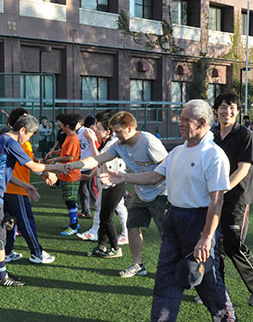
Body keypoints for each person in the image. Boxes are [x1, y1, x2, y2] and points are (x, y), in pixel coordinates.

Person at [99, 100, 237, 321]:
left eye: (185, 119)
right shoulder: (178, 152)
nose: (179, 123)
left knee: (209, 284)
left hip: (199, 222)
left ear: (201, 123)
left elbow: (217, 201)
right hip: (173, 218)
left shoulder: (214, 155)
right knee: (165, 279)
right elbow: (154, 176)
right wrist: (123, 177)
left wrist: (206, 237)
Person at [64, 111, 168, 277]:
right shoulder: (120, 145)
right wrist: (74, 165)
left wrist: (123, 177)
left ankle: (177, 268)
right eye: (114, 131)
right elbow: (98, 159)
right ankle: (137, 264)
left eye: (119, 131)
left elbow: (166, 169)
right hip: (141, 193)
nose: (115, 135)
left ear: (130, 128)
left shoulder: (148, 141)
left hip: (162, 193)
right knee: (132, 226)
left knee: (168, 235)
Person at [0, 115, 60, 286]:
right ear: (22, 130)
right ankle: (1, 277)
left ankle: (0, 271)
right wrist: (58, 168)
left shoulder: (1, 139)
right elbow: (33, 166)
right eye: (30, 135)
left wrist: (25, 186)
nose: (29, 139)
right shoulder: (10, 142)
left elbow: (4, 171)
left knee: (1, 233)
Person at [213, 93, 253, 307]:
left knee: (234, 245)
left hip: (237, 198)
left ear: (237, 111)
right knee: (214, 245)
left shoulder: (245, 135)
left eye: (231, 107)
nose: (226, 111)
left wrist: (222, 189)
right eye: (222, 107)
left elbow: (243, 169)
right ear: (216, 110)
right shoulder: (213, 136)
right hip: (215, 197)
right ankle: (215, 291)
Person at [3, 108, 56, 264]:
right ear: (22, 127)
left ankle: (6, 251)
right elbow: (30, 165)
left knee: (9, 221)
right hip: (17, 188)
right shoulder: (20, 142)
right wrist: (48, 173)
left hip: (8, 186)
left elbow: (29, 162)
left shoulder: (6, 138)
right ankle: (36, 252)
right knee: (25, 221)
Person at [77, 111, 128, 256]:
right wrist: (89, 176)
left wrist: (92, 140)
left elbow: (98, 159)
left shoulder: (112, 144)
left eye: (98, 129)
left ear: (108, 131)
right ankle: (101, 246)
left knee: (106, 217)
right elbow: (100, 165)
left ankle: (116, 248)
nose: (95, 131)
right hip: (106, 183)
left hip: (114, 184)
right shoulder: (106, 142)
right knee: (104, 216)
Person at [46, 114, 81, 236]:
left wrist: (55, 159)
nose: (60, 128)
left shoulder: (72, 138)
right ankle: (74, 223)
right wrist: (54, 153)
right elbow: (66, 151)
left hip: (71, 175)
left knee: (70, 200)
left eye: (61, 125)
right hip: (66, 174)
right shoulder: (69, 137)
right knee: (69, 200)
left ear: (67, 126)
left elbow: (70, 157)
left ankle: (74, 226)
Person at [77, 115, 99, 218]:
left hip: (90, 165)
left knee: (92, 189)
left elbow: (97, 147)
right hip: (82, 165)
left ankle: (101, 209)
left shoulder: (89, 133)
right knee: (83, 190)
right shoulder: (77, 134)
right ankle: (86, 211)